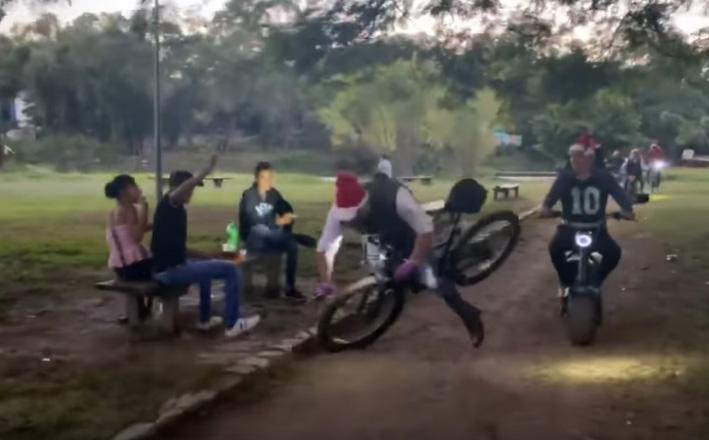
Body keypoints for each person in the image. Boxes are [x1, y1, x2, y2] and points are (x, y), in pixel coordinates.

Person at [314, 172, 485, 347]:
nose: (350, 223)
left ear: (364, 204)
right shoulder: (337, 210)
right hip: (381, 233)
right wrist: (326, 281)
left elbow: (425, 230)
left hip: (409, 230)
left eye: (353, 217)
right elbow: (325, 248)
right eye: (346, 221)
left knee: (431, 279)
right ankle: (380, 303)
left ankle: (469, 314)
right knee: (380, 265)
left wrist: (414, 261)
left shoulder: (396, 198)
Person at [151, 156, 260, 337]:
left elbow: (181, 250)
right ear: (182, 187)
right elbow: (182, 189)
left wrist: (210, 256)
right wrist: (206, 171)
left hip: (168, 267)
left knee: (207, 270)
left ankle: (204, 319)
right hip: (170, 271)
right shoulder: (170, 203)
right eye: (191, 188)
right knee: (231, 270)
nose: (192, 192)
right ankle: (233, 323)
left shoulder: (174, 210)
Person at [541, 144, 634, 293]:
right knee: (555, 250)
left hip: (596, 229)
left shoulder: (602, 177)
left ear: (590, 160)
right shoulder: (565, 178)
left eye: (581, 157)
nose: (577, 161)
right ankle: (566, 282)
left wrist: (626, 210)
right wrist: (546, 209)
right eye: (573, 157)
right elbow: (548, 202)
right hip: (571, 228)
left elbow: (621, 197)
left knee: (614, 253)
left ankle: (595, 282)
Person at [238, 161, 305, 301]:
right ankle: (292, 237)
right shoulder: (249, 195)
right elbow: (252, 219)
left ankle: (290, 287)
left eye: (270, 177)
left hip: (273, 238)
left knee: (292, 247)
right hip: (253, 238)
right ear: (256, 178)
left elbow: (287, 211)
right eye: (264, 177)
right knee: (260, 229)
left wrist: (287, 223)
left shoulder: (274, 194)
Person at [104, 174, 153, 320]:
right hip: (133, 267)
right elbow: (137, 236)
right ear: (124, 191)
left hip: (120, 267)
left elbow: (130, 232)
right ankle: (148, 309)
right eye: (135, 187)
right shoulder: (129, 210)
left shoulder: (114, 212)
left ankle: (139, 309)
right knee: (169, 267)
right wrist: (145, 208)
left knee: (157, 262)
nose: (139, 190)